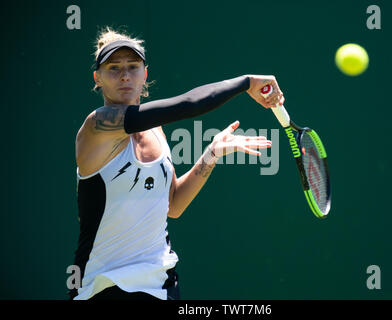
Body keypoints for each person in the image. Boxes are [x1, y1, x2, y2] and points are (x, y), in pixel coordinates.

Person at [69, 27, 285, 300]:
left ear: (144, 74)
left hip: (163, 283)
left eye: (133, 67)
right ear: (97, 78)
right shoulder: (97, 124)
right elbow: (188, 104)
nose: (125, 75)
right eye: (114, 68)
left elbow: (174, 205)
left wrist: (211, 155)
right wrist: (247, 82)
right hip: (105, 286)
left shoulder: (155, 129)